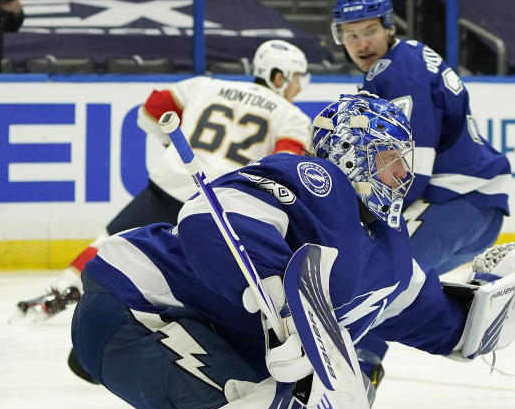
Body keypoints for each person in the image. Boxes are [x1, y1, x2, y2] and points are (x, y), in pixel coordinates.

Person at [21, 92, 515, 409]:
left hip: (189, 329)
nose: (402, 175)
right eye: (391, 159)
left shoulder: (394, 258)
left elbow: (448, 327)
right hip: (138, 302)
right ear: (353, 153)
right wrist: (280, 300)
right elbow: (209, 219)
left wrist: (497, 306)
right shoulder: (317, 182)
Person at [16, 40, 312, 328]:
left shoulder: (206, 85)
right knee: (202, 273)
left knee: (108, 243)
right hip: (217, 202)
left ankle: (60, 289)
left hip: (170, 183)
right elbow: (283, 165)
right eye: (297, 78)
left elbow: (151, 109)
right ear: (278, 77)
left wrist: (175, 146)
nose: (299, 87)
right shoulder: (292, 116)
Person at [330, 0, 514, 384]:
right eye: (351, 35)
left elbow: (411, 168)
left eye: (369, 31)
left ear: (388, 27)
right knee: (392, 285)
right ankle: (483, 294)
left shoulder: (394, 71)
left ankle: (355, 380)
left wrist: (365, 219)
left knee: (378, 282)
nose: (361, 43)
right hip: (472, 208)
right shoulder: (408, 59)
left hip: (453, 202)